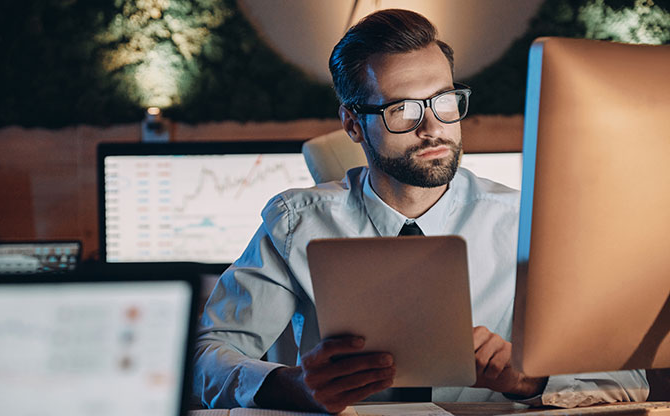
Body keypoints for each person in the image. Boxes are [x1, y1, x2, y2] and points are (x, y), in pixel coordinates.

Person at [194, 9, 648, 413]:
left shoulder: (526, 225)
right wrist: (293, 386)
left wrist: (529, 381)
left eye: (444, 100)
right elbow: (204, 355)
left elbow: (628, 380)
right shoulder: (296, 221)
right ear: (353, 123)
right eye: (403, 109)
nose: (434, 128)